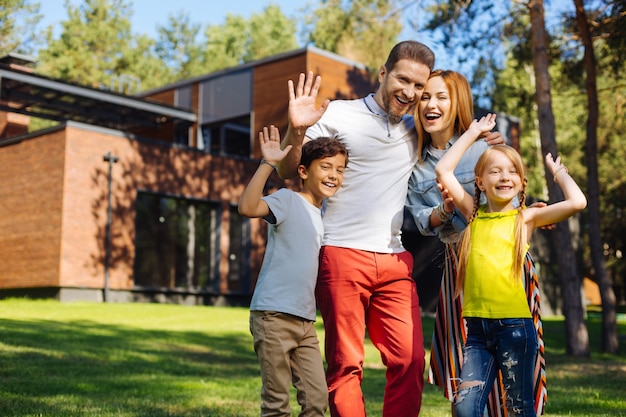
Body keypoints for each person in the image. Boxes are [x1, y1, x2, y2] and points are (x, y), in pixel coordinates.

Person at [277, 40, 502, 417]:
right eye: (403, 80)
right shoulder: (339, 115)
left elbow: (447, 147)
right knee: (346, 365)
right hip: (340, 252)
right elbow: (289, 171)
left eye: (419, 86)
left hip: (395, 260)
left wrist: (484, 143)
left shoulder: (414, 132)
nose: (410, 92)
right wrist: (296, 131)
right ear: (383, 74)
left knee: (411, 360)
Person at [406, 70, 548, 416]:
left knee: (515, 372)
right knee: (468, 368)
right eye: (425, 96)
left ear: (458, 103)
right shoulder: (414, 164)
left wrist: (537, 214)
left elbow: (511, 191)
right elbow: (423, 222)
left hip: (505, 265)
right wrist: (445, 209)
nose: (432, 104)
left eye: (442, 96)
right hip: (459, 262)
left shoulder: (485, 146)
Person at [434, 115, 587, 417]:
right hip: (477, 330)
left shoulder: (525, 219)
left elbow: (577, 202)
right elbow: (443, 169)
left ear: (520, 182)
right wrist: (473, 133)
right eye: (495, 171)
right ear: (480, 181)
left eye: (512, 171)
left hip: (515, 329)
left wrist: (559, 173)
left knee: (518, 409)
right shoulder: (472, 215)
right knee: (464, 408)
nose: (504, 177)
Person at [239, 125, 349, 417]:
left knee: (316, 401)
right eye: (325, 167)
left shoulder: (325, 218)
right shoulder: (288, 200)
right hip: (273, 315)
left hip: (305, 323)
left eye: (339, 170)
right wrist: (268, 164)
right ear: (302, 171)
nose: (333, 175)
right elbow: (248, 207)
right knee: (277, 405)